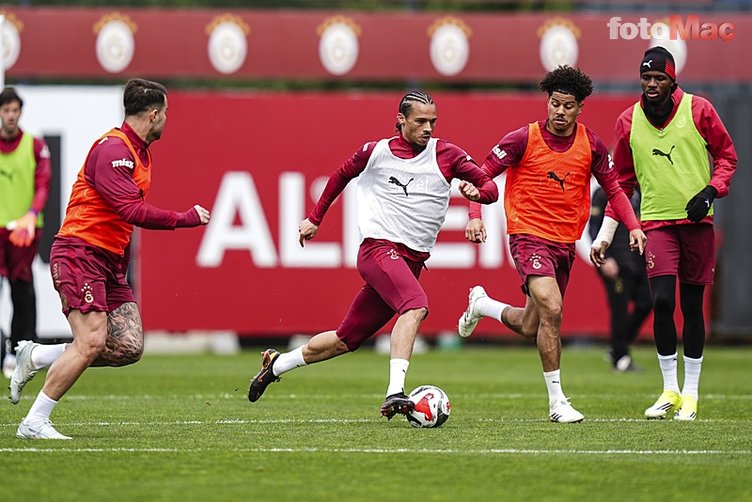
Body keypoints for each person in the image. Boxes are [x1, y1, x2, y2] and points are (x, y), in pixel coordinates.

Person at [247, 90, 499, 419]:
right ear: (401, 120)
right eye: (420, 121)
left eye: (432, 122)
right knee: (416, 306)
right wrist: (314, 219)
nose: (427, 128)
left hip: (412, 261)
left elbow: (489, 187)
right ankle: (395, 391)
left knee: (345, 340)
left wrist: (476, 203)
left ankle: (277, 364)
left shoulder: (447, 154)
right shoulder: (375, 152)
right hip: (378, 249)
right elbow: (340, 175)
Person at [10, 78, 211, 439]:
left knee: (128, 347)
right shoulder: (113, 149)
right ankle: (34, 421)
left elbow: (119, 221)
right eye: (166, 113)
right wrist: (185, 218)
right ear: (154, 115)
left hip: (108, 262)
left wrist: (119, 264)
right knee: (90, 341)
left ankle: (37, 356)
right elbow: (130, 210)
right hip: (79, 253)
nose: (167, 119)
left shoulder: (140, 152)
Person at [457, 66, 647, 423]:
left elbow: (615, 190)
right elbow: (480, 176)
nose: (560, 111)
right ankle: (558, 402)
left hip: (563, 244)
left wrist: (633, 226)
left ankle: (482, 305)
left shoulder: (591, 144)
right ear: (547, 102)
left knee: (532, 325)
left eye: (568, 106)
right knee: (553, 307)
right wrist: (474, 215)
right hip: (528, 235)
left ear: (580, 108)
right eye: (555, 103)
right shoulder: (522, 138)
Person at [591, 47, 737, 421]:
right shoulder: (628, 122)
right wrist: (605, 235)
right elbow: (620, 184)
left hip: (697, 224)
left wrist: (710, 192)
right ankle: (669, 389)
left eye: (659, 78)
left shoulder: (699, 109)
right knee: (661, 302)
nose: (652, 84)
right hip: (656, 224)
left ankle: (691, 393)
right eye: (647, 78)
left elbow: (727, 156)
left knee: (692, 306)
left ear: (673, 80)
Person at [0, 87, 51, 379]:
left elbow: (43, 184)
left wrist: (31, 214)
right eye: (6, 110)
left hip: (23, 231)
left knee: (22, 291)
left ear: (20, 112)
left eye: (14, 110)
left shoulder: (34, 146)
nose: (10, 115)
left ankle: (23, 352)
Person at [589, 186, 651, 372]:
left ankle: (617, 346)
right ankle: (620, 358)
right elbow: (594, 227)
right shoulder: (603, 192)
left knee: (647, 302)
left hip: (636, 260)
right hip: (615, 262)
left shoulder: (639, 190)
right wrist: (605, 258)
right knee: (619, 310)